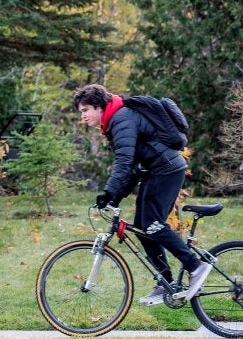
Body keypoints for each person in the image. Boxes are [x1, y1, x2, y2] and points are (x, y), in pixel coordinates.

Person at [74, 84, 211, 304]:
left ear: (100, 107)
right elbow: (132, 168)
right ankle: (165, 282)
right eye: (81, 111)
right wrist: (114, 196)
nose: (83, 116)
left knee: (152, 224)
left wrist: (109, 190)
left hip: (166, 170)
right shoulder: (115, 121)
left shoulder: (121, 119)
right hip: (156, 171)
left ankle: (196, 266)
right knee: (142, 227)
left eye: (86, 110)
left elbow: (124, 162)